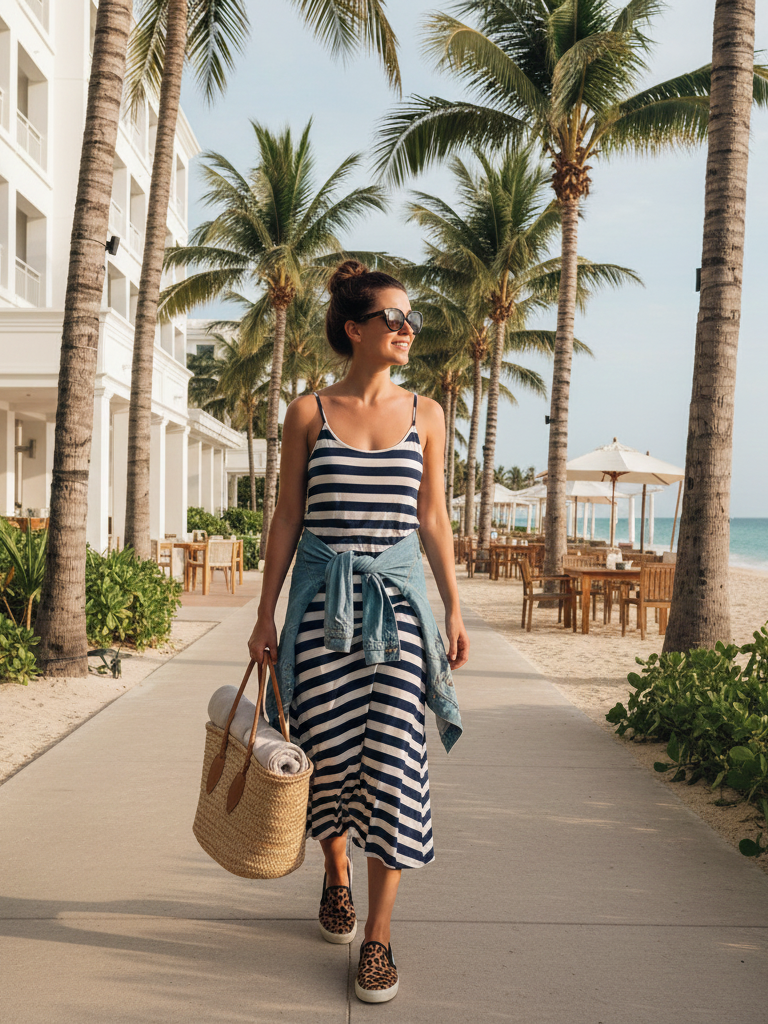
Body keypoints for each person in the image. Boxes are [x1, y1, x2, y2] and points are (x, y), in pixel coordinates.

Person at [248, 259, 469, 1004]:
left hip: (399, 615)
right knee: (327, 756)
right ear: (355, 329)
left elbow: (433, 518)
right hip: (319, 613)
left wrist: (454, 607)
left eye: (412, 320)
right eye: (394, 318)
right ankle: (335, 873)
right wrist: (262, 613)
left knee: (397, 768)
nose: (408, 329)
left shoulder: (428, 414)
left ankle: (377, 936)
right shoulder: (308, 412)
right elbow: (286, 516)